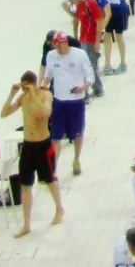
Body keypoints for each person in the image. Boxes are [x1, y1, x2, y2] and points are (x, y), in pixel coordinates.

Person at [0, 71, 63, 235]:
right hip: (27, 145)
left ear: (33, 84)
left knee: (50, 180)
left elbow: (44, 114)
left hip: (43, 145)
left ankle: (59, 209)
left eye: (26, 87)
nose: (24, 90)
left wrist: (33, 94)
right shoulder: (22, 98)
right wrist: (12, 94)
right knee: (25, 185)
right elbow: (4, 113)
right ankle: (26, 224)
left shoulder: (45, 95)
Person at [43, 31, 95, 177]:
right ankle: (53, 168)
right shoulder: (51, 56)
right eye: (55, 46)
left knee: (77, 133)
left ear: (65, 43)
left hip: (76, 101)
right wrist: (42, 89)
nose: (58, 49)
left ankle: (76, 160)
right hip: (58, 101)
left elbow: (89, 75)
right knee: (56, 137)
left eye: (59, 45)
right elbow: (48, 76)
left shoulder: (79, 55)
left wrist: (83, 87)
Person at [97, 0, 130, 75]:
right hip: (110, 11)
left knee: (118, 37)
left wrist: (101, 30)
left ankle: (123, 63)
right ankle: (107, 66)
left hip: (120, 10)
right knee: (107, 37)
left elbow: (108, 13)